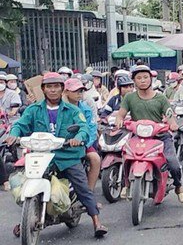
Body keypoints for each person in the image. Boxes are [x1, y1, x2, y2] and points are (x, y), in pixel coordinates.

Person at [7, 73, 108, 236]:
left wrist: (77, 138)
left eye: (56, 87)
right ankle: (25, 220)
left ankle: (97, 222)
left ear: (62, 89)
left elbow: (83, 127)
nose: (53, 90)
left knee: (83, 188)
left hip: (67, 156)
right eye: (49, 87)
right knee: (25, 183)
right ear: (43, 89)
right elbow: (21, 124)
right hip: (41, 155)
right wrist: (14, 134)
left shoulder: (73, 110)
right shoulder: (33, 110)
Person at [114, 65, 183, 204]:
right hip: (138, 136)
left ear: (151, 79)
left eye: (145, 77)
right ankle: (126, 184)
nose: (143, 80)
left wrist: (172, 124)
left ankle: (179, 186)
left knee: (172, 162)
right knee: (124, 156)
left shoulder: (161, 98)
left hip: (160, 135)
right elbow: (121, 114)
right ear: (134, 81)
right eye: (139, 78)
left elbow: (169, 114)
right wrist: (118, 121)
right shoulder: (129, 98)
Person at [63, 78, 101, 192]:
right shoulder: (58, 107)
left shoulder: (85, 108)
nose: (79, 94)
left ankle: (89, 193)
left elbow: (91, 128)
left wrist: (84, 144)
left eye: (81, 91)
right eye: (75, 91)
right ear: (66, 92)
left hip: (81, 144)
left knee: (95, 159)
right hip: (59, 144)